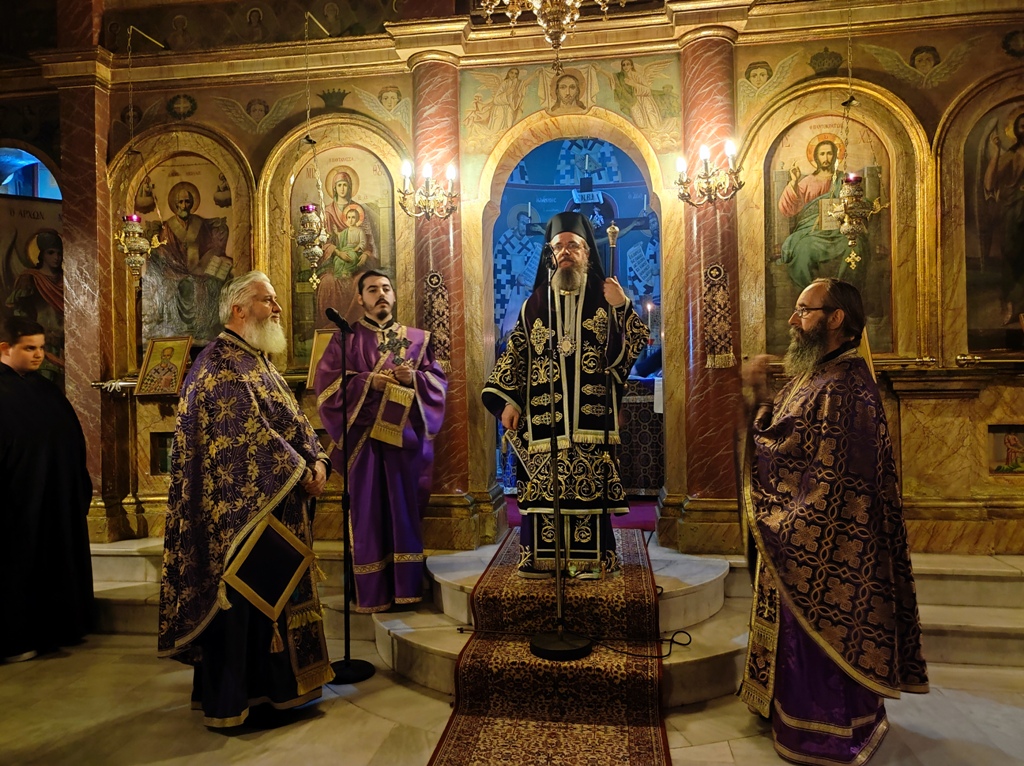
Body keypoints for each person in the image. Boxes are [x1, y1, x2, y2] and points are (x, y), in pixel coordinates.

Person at [739, 278, 928, 764]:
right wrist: (761, 397)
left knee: (820, 635)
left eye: (804, 310)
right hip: (805, 530)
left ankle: (824, 732)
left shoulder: (845, 386)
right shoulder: (820, 375)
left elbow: (835, 480)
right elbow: (784, 441)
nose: (793, 319)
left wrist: (787, 522)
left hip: (829, 542)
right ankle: (785, 713)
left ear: (836, 318)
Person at [159, 271, 334, 728]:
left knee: (277, 597)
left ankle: (281, 693)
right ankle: (242, 700)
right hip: (240, 517)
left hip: (277, 502)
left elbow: (291, 420)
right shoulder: (219, 364)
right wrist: (302, 471)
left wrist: (318, 459)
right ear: (238, 309)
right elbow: (245, 437)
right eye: (267, 300)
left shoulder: (257, 360)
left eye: (274, 300)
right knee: (249, 602)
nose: (276, 308)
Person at [483, 212, 648, 578]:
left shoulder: (606, 297)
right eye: (559, 247)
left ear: (587, 252)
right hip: (543, 424)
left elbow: (637, 341)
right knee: (544, 494)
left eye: (574, 245)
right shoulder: (534, 304)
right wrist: (508, 401)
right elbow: (516, 354)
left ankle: (590, 561)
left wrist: (622, 305)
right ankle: (543, 560)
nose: (566, 252)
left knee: (589, 493)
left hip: (591, 423)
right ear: (551, 253)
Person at [315, 270, 447, 612]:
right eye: (372, 289)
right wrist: (366, 382)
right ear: (360, 299)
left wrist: (414, 378)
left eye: (386, 288)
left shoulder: (417, 339)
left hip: (404, 443)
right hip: (364, 445)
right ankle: (373, 593)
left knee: (403, 512)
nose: (381, 294)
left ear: (394, 295)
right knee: (368, 514)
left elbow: (438, 384)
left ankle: (406, 590)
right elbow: (326, 388)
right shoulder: (346, 340)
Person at [0, 317, 93, 662]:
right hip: (17, 502)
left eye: (41, 347)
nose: (39, 355)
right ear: (5, 348)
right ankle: (17, 639)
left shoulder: (45, 389)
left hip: (55, 497)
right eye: (30, 348)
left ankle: (60, 628)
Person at [144, 183, 232, 344]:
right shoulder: (168, 226)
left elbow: (210, 245)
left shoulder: (200, 223)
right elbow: (163, 249)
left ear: (192, 203)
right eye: (181, 202)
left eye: (187, 202)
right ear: (175, 204)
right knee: (174, 285)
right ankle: (176, 330)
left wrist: (212, 257)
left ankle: (203, 329)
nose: (184, 206)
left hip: (198, 269)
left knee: (209, 285)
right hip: (174, 269)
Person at [777, 139, 869, 290]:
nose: (826, 158)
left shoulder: (845, 180)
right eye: (822, 154)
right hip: (812, 232)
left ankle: (846, 292)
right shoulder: (806, 182)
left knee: (856, 246)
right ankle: (810, 294)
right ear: (816, 157)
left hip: (840, 232)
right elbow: (788, 208)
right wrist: (793, 182)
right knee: (803, 249)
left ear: (835, 156)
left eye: (829, 153)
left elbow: (861, 202)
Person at [6, 229, 65, 388]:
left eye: (59, 253)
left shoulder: (67, 279)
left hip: (67, 345)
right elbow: (21, 316)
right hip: (43, 345)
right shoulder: (30, 279)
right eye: (51, 252)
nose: (56, 257)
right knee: (43, 388)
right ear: (41, 254)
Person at [983, 111, 1024, 325]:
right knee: (1011, 256)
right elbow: (990, 183)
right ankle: (1011, 304)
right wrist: (996, 154)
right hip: (1014, 211)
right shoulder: (1011, 155)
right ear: (1015, 130)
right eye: (1022, 126)